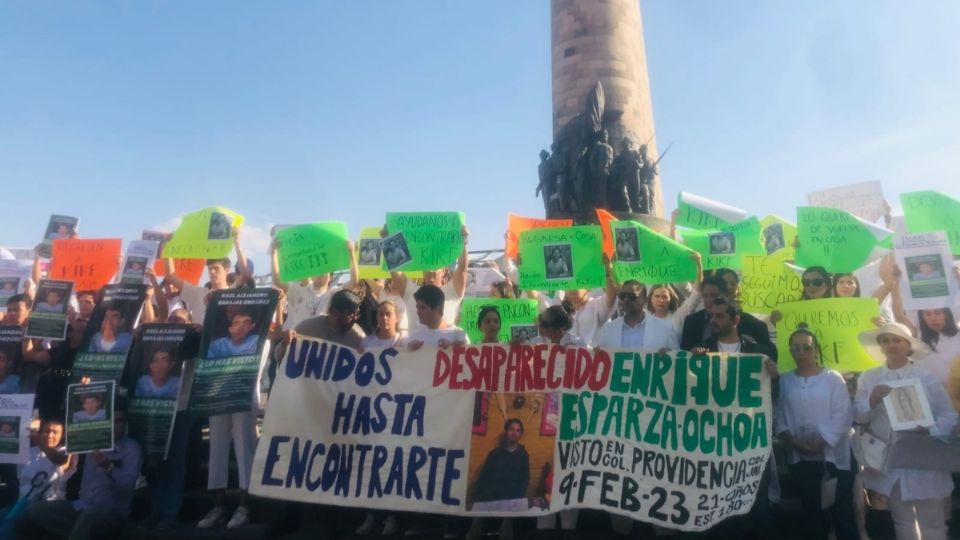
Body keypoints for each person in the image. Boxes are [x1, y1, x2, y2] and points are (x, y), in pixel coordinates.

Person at [164, 228, 256, 530]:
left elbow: (245, 272)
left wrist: (238, 241)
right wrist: (167, 247)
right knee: (217, 441)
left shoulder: (235, 292)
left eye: (217, 268)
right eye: (210, 268)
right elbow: (172, 276)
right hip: (211, 377)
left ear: (226, 271)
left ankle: (245, 505)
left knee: (244, 441)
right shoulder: (198, 294)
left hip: (240, 374)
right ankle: (217, 505)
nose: (212, 272)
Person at [854, 322, 957, 540]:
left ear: (908, 345)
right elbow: (858, 416)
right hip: (893, 460)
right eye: (886, 340)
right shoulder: (870, 377)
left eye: (897, 340)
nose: (891, 345)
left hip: (924, 458)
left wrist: (931, 430)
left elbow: (948, 414)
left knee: (933, 522)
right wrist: (871, 401)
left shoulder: (925, 377)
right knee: (902, 521)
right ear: (880, 346)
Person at [774, 326, 857, 540]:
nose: (801, 352)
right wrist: (793, 441)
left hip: (834, 459)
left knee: (843, 514)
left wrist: (823, 441)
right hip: (801, 459)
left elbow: (843, 414)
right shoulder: (784, 381)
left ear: (816, 350)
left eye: (806, 347)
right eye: (796, 348)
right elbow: (778, 414)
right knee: (812, 514)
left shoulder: (832, 378)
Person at [16, 400, 142, 540]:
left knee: (89, 517)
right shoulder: (90, 439)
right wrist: (84, 392)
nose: (113, 426)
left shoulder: (131, 448)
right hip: (82, 506)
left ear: (125, 423)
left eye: (118, 421)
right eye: (109, 420)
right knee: (35, 510)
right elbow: (77, 419)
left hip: (112, 512)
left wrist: (107, 466)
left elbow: (127, 486)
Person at [680, 275, 772, 353]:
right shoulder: (691, 321)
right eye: (705, 296)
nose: (709, 301)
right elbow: (684, 355)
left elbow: (769, 354)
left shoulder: (752, 324)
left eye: (714, 295)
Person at [593, 280, 679, 352]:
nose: (626, 300)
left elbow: (678, 360)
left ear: (645, 300)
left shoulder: (665, 329)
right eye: (622, 296)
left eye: (632, 296)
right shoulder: (609, 330)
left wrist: (670, 355)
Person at [472, 419, 530, 505]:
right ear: (506, 431)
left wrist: (516, 499)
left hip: (513, 500)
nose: (514, 433)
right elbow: (484, 478)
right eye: (511, 429)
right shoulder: (494, 454)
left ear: (520, 435)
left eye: (518, 430)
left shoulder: (524, 455)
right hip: (492, 499)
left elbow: (524, 480)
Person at [407, 285, 469, 351]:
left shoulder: (458, 335)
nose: (418, 312)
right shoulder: (414, 336)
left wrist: (452, 348)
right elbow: (396, 357)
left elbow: (472, 358)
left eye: (423, 308)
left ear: (437, 309)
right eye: (417, 307)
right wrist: (408, 350)